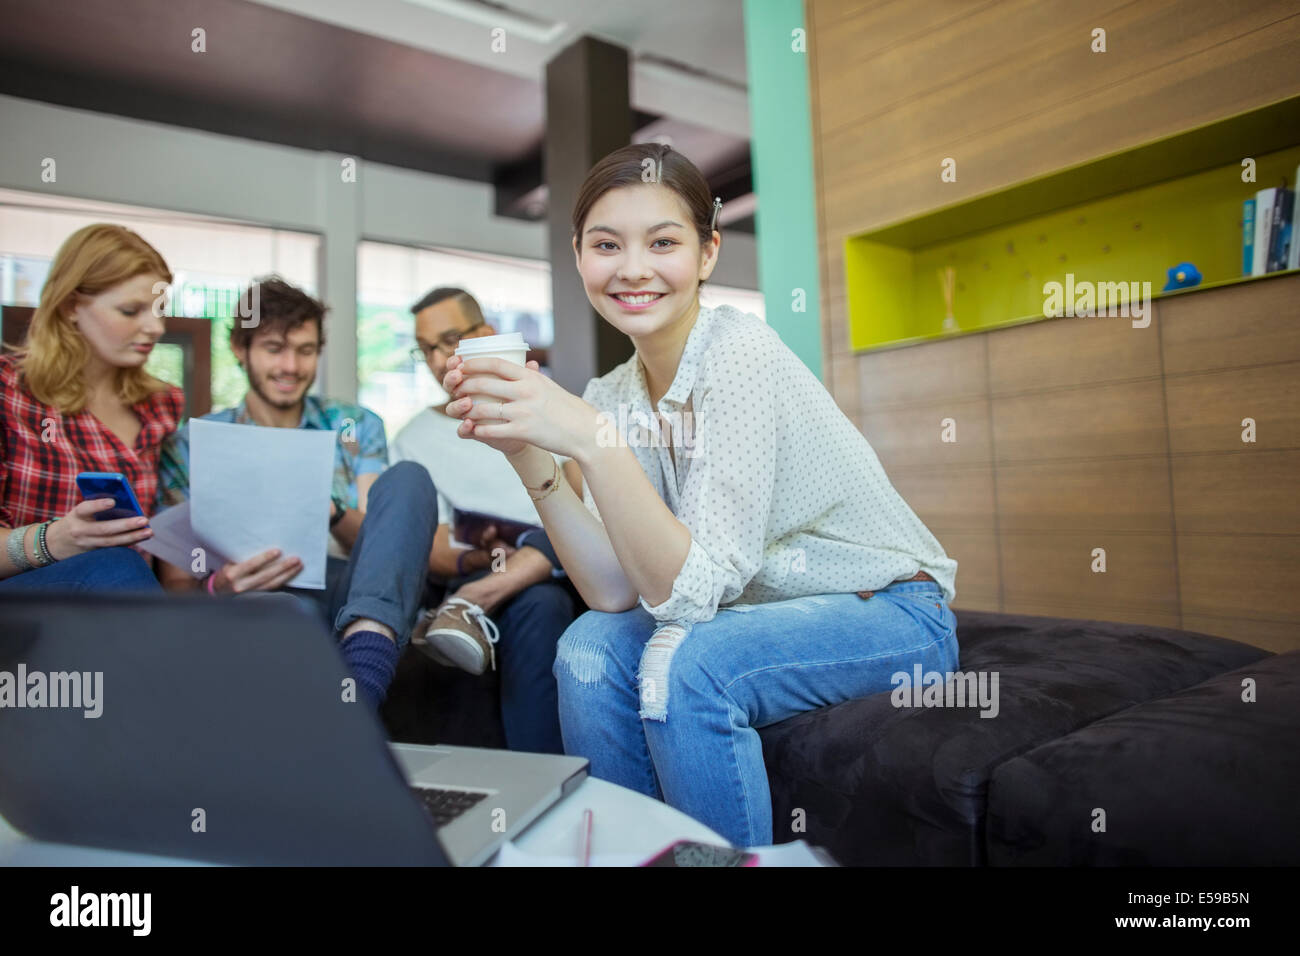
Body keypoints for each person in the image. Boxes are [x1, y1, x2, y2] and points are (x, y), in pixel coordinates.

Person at [439, 142, 960, 847]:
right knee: (588, 648)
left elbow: (690, 596)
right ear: (579, 255)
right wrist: (529, 453)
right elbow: (615, 591)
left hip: (891, 610)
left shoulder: (739, 355)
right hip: (752, 613)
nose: (632, 268)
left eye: (663, 242)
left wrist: (594, 439)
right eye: (606, 245)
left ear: (708, 253)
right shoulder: (612, 393)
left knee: (689, 662)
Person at [156, 277, 436, 709]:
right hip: (256, 596)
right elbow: (176, 583)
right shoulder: (193, 445)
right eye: (274, 348)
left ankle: (362, 673)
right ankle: (349, 712)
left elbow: (383, 542)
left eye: (305, 350)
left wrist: (328, 510)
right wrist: (218, 586)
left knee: (409, 478)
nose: (291, 366)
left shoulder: (353, 426)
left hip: (352, 590)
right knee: (286, 612)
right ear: (239, 348)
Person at [390, 286, 581, 754]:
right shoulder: (414, 438)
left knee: (555, 558)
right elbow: (432, 545)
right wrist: (480, 553)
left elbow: (580, 498)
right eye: (427, 349)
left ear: (486, 335)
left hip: (563, 557)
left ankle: (471, 605)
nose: (438, 360)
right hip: (482, 563)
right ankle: (540, 780)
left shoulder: (548, 407)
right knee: (539, 603)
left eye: (449, 340)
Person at [1, 224, 182, 593]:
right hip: (23, 609)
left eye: (159, 309)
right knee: (115, 565)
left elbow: (169, 544)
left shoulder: (161, 404)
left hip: (122, 608)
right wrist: (58, 539)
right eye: (131, 310)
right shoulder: (9, 392)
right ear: (71, 306)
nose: (155, 327)